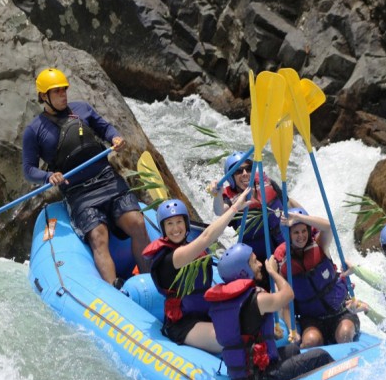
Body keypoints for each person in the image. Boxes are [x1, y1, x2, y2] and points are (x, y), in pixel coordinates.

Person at [22, 67, 151, 286]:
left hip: (107, 179)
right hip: (78, 191)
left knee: (138, 223)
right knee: (98, 236)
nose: (63, 95)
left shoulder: (82, 109)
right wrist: (48, 176)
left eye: (64, 90)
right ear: (44, 96)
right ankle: (115, 292)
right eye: (57, 92)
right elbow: (29, 170)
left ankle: (152, 282)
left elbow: (105, 128)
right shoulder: (34, 131)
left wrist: (115, 138)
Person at [204, 242, 335, 380]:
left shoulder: (227, 302)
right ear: (243, 271)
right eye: (254, 261)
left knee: (293, 349)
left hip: (242, 378)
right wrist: (273, 272)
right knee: (320, 356)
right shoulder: (257, 300)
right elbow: (288, 294)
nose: (260, 264)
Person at [142, 189, 251, 354]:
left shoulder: (188, 248)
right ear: (163, 228)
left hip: (206, 312)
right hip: (183, 323)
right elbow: (207, 237)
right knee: (229, 339)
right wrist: (234, 208)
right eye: (169, 224)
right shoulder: (172, 258)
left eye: (179, 222)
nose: (175, 228)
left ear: (186, 224)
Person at [208, 151, 302, 281]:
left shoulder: (267, 183)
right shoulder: (231, 199)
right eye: (239, 171)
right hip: (259, 260)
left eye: (248, 169)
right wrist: (217, 194)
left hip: (285, 245)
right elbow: (219, 211)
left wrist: (308, 221)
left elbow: (288, 203)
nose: (245, 173)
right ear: (231, 177)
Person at [273, 208, 360, 347]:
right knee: (310, 341)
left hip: (340, 311)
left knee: (344, 335)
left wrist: (297, 217)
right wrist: (292, 330)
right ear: (287, 234)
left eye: (304, 231)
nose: (301, 236)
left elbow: (328, 226)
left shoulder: (320, 245)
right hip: (312, 320)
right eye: (296, 232)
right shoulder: (285, 266)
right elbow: (286, 307)